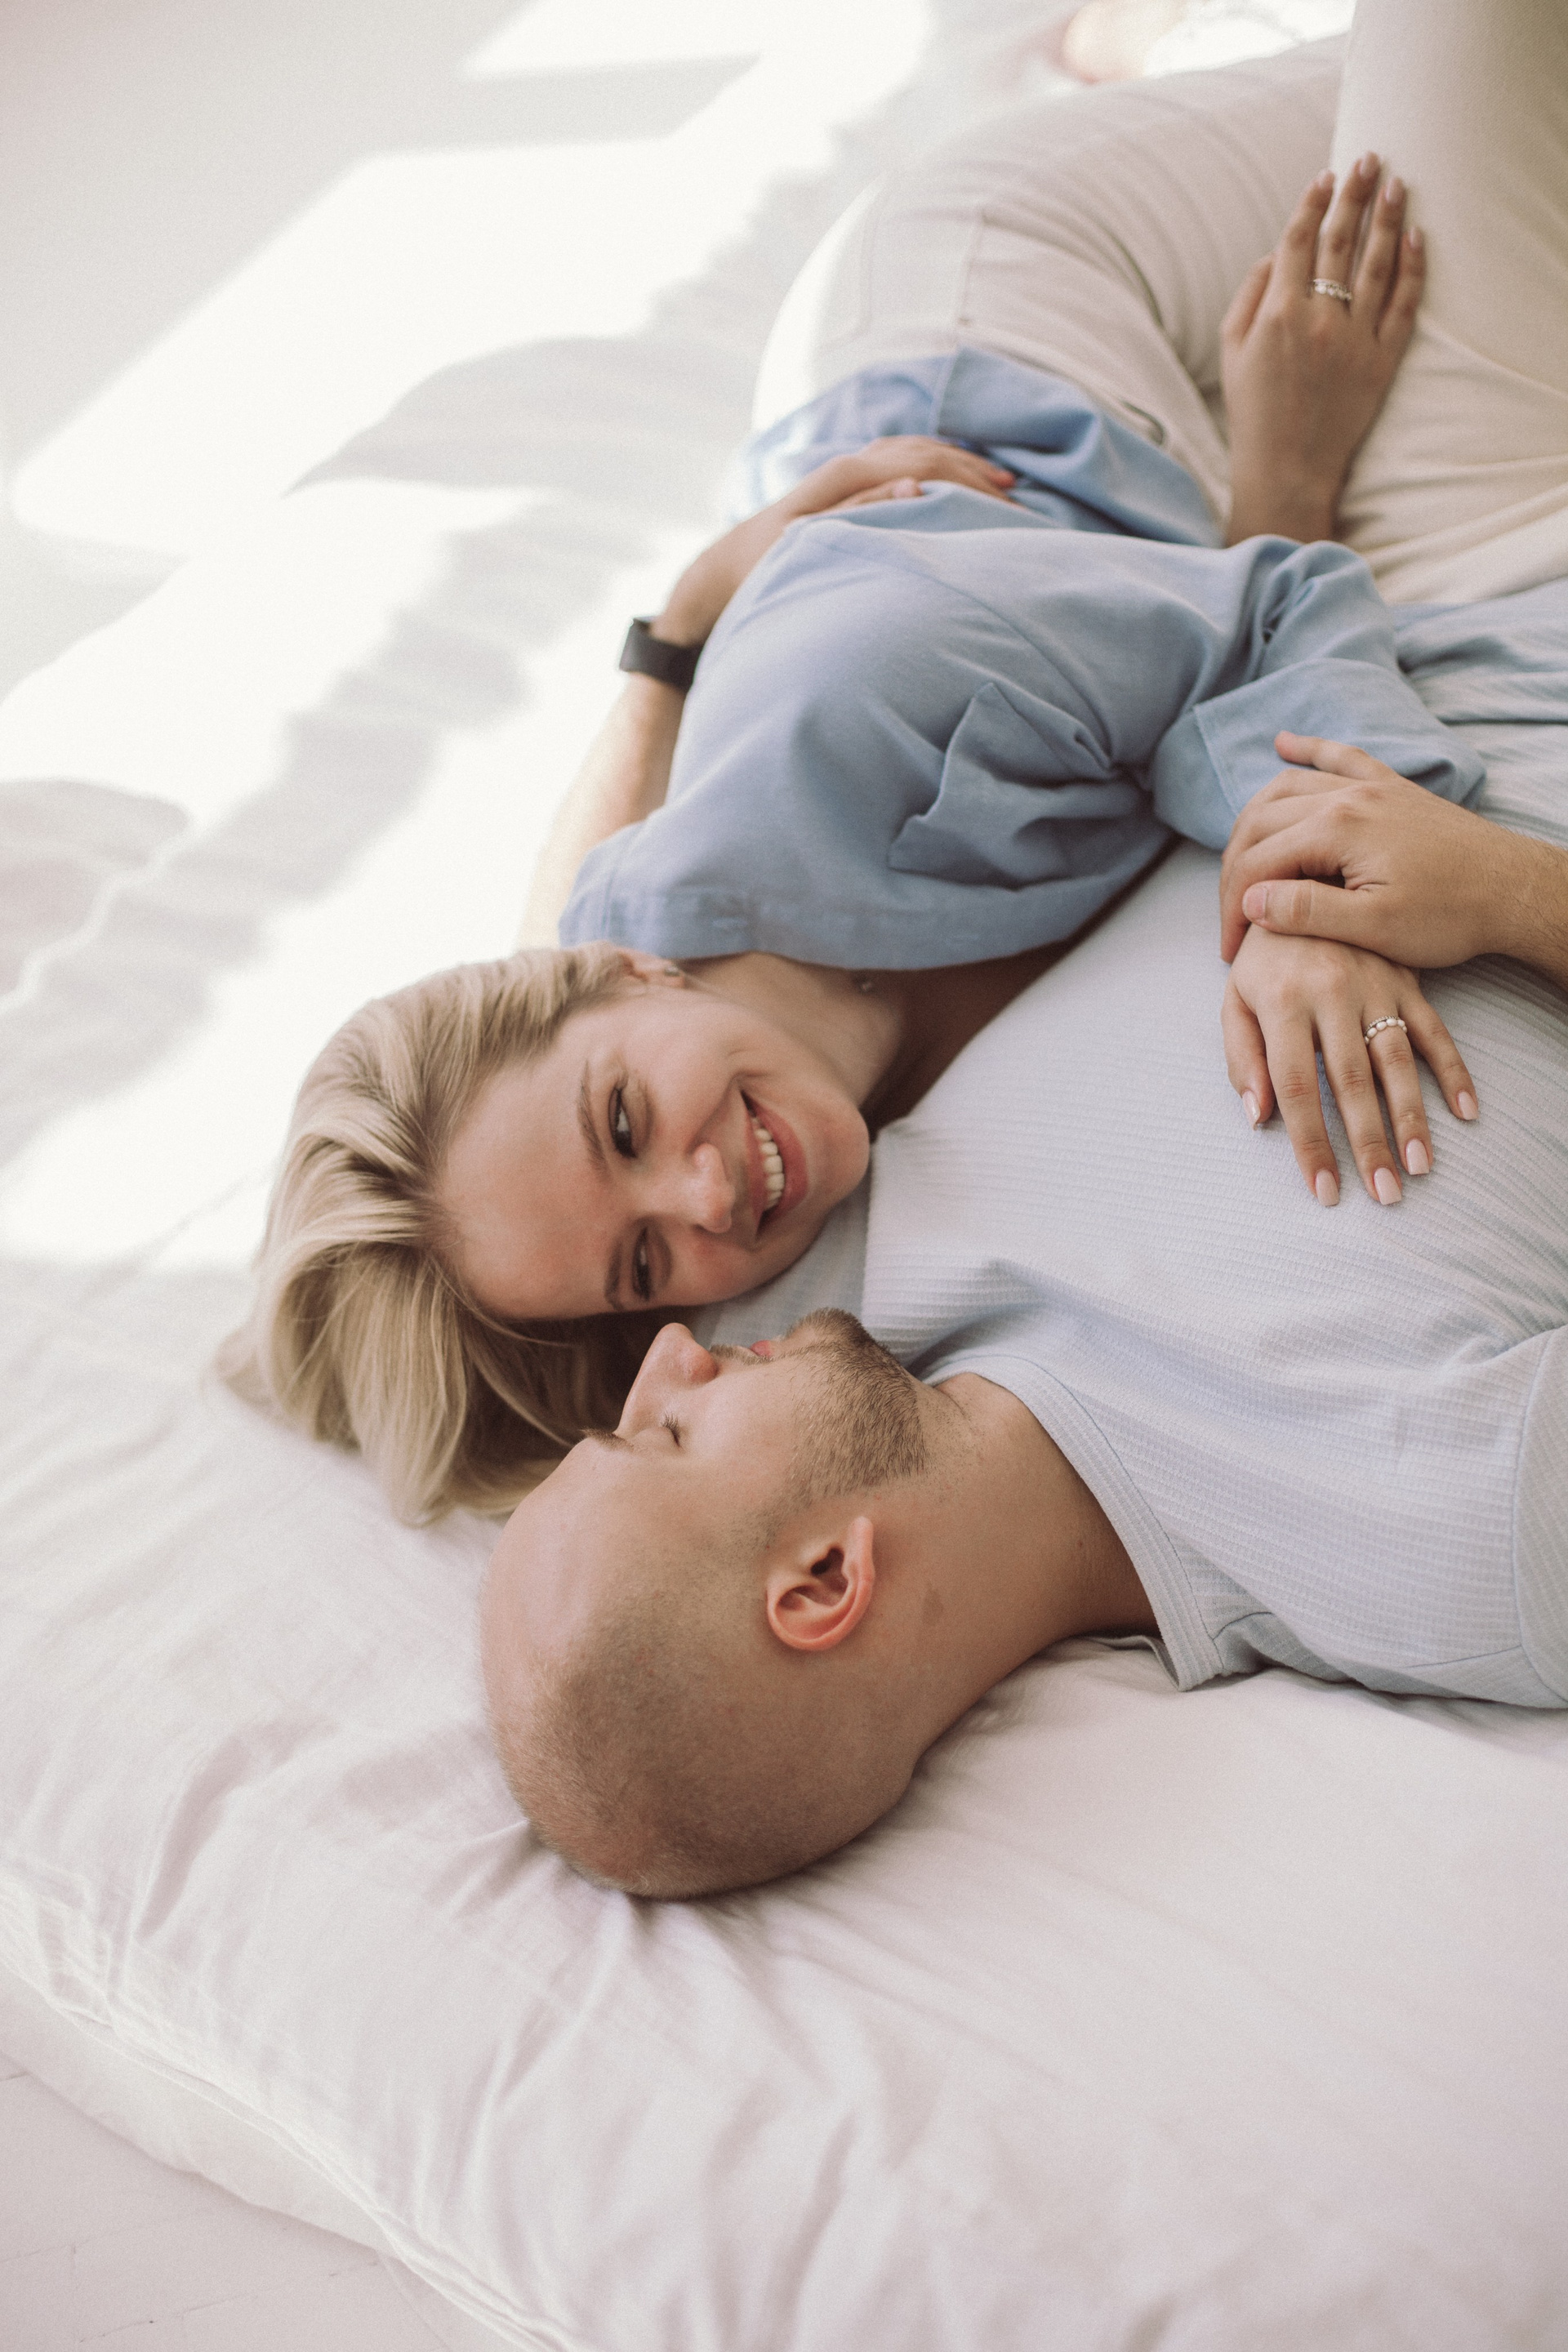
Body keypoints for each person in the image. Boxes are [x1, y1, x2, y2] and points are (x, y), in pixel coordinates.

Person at [225, 0, 1568, 1522]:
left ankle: (1177, 43)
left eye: (627, 1124)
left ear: (628, 973)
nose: (708, 1195)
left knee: (1450, 70)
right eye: (640, 1259)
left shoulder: (868, 695)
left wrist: (1306, 887)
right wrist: (675, 633)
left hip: (1007, 334)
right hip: (1030, 593)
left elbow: (1270, 608)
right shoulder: (697, 1243)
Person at [480, 784, 1568, 1896]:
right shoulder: (1451, 1531)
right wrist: (1516, 893)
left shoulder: (814, 1275)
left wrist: (663, 678)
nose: (669, 1351)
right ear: (822, 1579)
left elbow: (521, 1077)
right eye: (661, 1436)